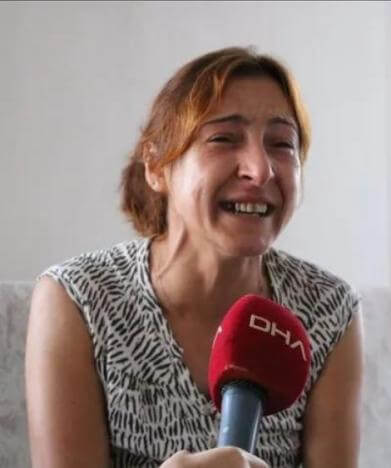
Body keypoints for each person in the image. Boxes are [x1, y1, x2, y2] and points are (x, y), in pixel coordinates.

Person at [24, 47, 363, 468]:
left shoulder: (329, 308)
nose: (260, 170)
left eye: (281, 144)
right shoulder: (78, 297)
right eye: (224, 138)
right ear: (156, 165)